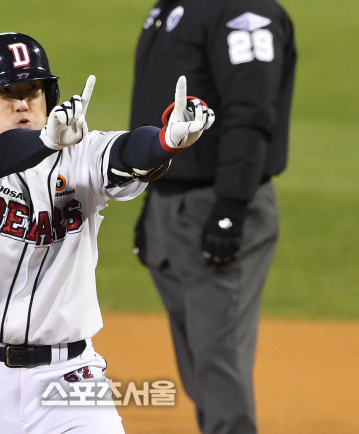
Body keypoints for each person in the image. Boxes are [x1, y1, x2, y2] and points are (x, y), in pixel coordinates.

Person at [0, 32, 214, 434]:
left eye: (33, 89)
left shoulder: (82, 153)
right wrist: (44, 142)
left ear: (50, 92)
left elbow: (128, 150)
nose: (23, 102)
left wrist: (166, 141)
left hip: (72, 379)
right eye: (7, 92)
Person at [130, 1, 296, 433]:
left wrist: (230, 209)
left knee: (218, 367)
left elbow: (251, 109)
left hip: (215, 204)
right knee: (198, 366)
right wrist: (151, 198)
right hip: (170, 203)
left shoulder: (246, 12)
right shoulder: (172, 6)